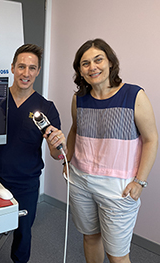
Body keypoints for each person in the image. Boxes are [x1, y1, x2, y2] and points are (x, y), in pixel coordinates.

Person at [0, 44, 67, 263]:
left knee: (24, 232)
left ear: (38, 71)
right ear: (12, 68)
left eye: (32, 68)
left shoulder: (46, 108)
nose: (26, 73)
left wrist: (59, 145)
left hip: (26, 182)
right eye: (21, 66)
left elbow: (56, 154)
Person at [66, 38, 158, 263]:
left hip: (118, 188)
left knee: (117, 255)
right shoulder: (79, 99)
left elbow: (151, 139)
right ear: (80, 70)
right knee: (90, 237)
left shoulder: (134, 95)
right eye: (85, 63)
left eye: (98, 60)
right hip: (80, 182)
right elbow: (75, 131)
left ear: (110, 62)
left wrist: (140, 182)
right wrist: (66, 161)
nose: (92, 67)